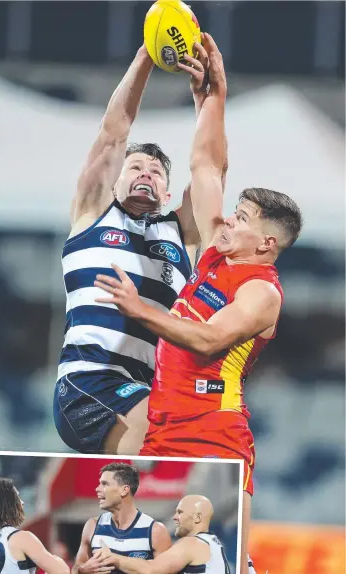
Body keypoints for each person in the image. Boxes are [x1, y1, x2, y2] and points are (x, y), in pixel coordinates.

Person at [94, 34, 303, 574]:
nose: (228, 220)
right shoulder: (216, 254)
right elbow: (208, 167)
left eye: (243, 219)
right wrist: (211, 95)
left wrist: (141, 311)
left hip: (215, 435)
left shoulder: (261, 293)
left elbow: (210, 339)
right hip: (163, 426)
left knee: (225, 563)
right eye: (234, 213)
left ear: (267, 244)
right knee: (154, 557)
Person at [53, 38, 227, 456]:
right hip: (89, 383)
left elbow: (211, 171)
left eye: (156, 172)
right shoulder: (93, 214)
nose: (146, 173)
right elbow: (114, 133)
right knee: (168, 448)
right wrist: (146, 55)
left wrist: (211, 102)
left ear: (168, 195)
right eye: (135, 167)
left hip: (147, 386)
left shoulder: (181, 235)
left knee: (183, 457)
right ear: (114, 182)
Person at [73, 463, 172, 574]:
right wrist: (82, 570)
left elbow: (165, 571)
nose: (97, 489)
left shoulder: (155, 531)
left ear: (124, 490)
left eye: (105, 484)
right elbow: (77, 568)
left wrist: (115, 559)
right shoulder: (92, 526)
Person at [93, 494, 230, 574]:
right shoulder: (215, 543)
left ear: (197, 518)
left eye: (180, 512)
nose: (174, 517)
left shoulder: (192, 543)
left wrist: (113, 557)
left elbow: (151, 570)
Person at [0, 478, 69, 574]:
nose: (22, 502)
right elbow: (62, 572)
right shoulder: (21, 537)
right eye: (18, 497)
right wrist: (57, 559)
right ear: (7, 504)